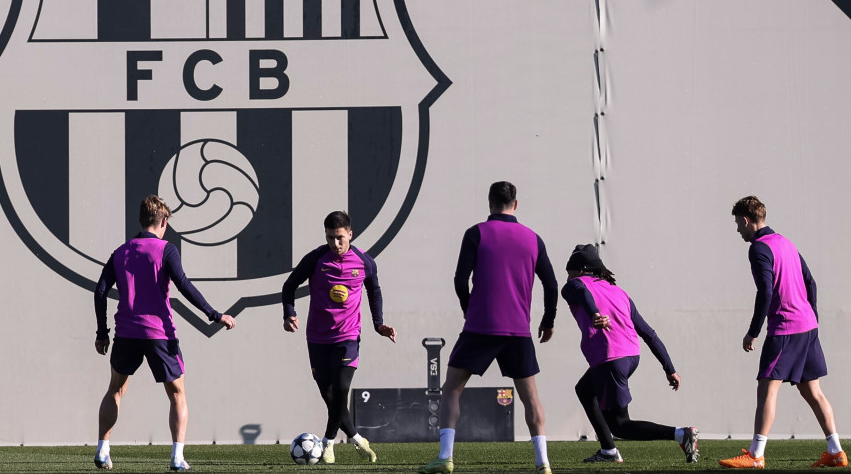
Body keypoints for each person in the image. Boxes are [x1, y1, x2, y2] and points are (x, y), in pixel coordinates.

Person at [419, 181, 559, 474]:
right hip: (518, 331)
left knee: (452, 389)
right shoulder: (533, 238)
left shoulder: (476, 233)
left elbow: (459, 280)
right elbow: (551, 284)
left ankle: (446, 457)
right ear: (516, 204)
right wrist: (548, 321)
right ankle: (543, 461)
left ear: (489, 203)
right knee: (530, 398)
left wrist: (468, 309)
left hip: (480, 327)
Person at [93, 195, 236, 471]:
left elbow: (100, 291)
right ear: (164, 221)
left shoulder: (121, 251)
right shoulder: (166, 250)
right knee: (177, 394)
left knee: (115, 390)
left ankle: (102, 450)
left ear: (140, 220)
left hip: (126, 333)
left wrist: (102, 332)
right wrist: (214, 314)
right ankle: (177, 458)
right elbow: (184, 285)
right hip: (159, 334)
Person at [719, 196, 848, 469]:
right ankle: (836, 451)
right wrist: (811, 315)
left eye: (737, 224)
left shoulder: (758, 249)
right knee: (813, 392)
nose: (737, 230)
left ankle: (755, 455)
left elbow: (765, 291)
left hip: (785, 330)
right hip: (807, 327)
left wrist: (753, 332)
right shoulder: (786, 243)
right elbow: (810, 282)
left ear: (746, 220)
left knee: (767, 388)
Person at [561, 244, 698, 464]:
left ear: (579, 269)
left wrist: (595, 313)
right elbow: (648, 332)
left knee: (621, 425)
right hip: (631, 356)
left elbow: (582, 292)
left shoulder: (572, 285)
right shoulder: (618, 291)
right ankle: (608, 451)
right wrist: (669, 368)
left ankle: (681, 434)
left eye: (569, 270)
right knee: (584, 390)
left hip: (611, 359)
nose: (567, 275)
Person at [282, 210, 397, 465]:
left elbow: (374, 291)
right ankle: (357, 438)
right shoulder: (315, 259)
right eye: (330, 238)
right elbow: (289, 286)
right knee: (331, 397)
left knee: (343, 388)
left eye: (340, 238)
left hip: (348, 335)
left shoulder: (364, 262)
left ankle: (328, 442)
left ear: (350, 234)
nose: (335, 244)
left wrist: (379, 324)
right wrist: (289, 314)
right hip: (317, 338)